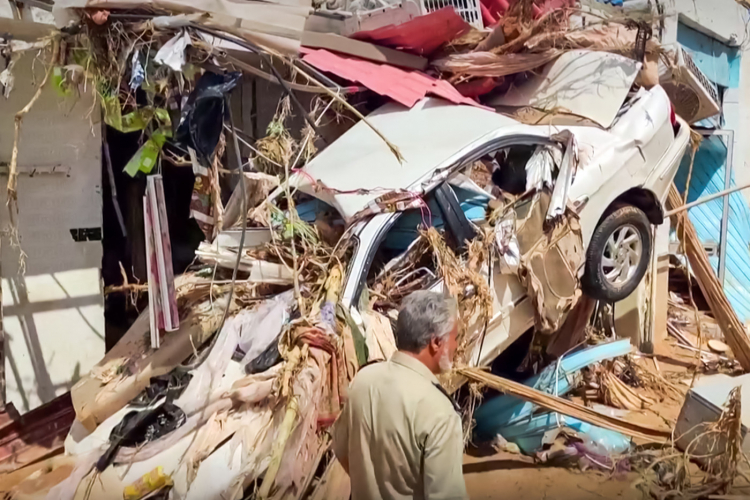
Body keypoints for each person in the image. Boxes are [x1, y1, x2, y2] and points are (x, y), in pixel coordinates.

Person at [332, 291, 467, 500]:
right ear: (436, 343)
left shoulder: (363, 380)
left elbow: (341, 449)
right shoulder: (440, 412)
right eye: (455, 338)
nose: (456, 346)